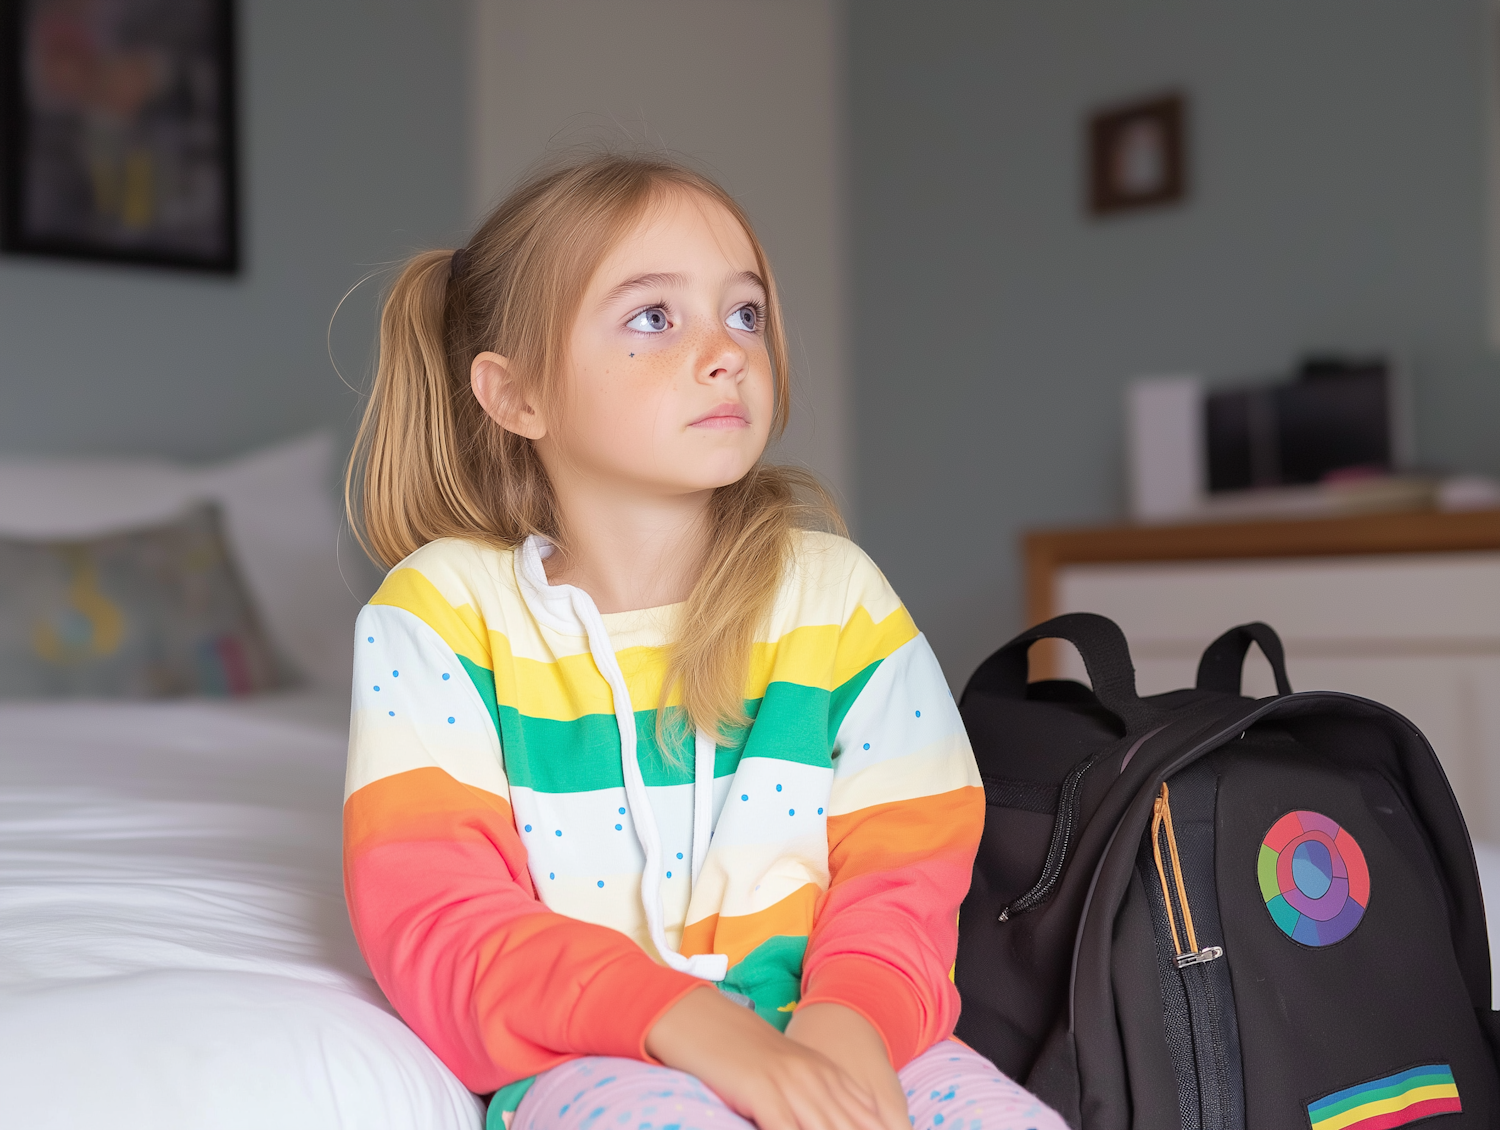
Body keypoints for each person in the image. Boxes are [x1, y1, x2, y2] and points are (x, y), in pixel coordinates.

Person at [342, 153, 1065, 1130]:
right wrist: (695, 1026)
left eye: (746, 313)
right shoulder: (438, 616)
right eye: (653, 316)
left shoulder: (836, 596)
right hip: (596, 1052)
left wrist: (843, 1030)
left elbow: (908, 861)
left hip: (844, 1029)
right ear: (516, 397)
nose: (727, 350)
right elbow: (441, 920)